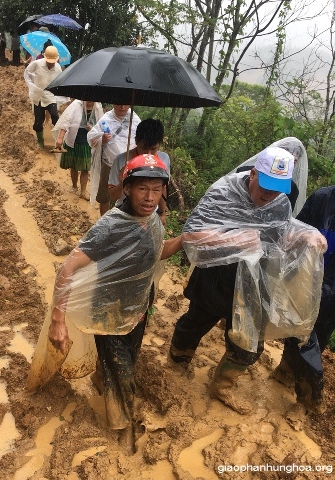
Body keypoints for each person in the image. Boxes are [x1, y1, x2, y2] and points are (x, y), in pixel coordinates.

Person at [169, 146, 326, 414]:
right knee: (196, 321)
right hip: (217, 273)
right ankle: (177, 362)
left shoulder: (280, 201)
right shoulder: (223, 192)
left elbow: (279, 237)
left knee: (249, 343)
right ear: (253, 173)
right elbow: (192, 236)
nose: (269, 194)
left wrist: (303, 237)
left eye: (278, 188)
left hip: (254, 280)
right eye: (265, 184)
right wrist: (237, 240)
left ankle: (222, 386)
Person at [44, 154, 182, 454]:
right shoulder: (112, 226)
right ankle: (121, 428)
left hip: (139, 308)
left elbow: (157, 254)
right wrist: (58, 320)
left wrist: (185, 240)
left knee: (127, 361)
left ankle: (101, 379)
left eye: (156, 190)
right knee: (123, 373)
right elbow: (67, 268)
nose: (149, 197)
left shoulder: (153, 220)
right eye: (142, 188)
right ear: (127, 188)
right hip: (107, 312)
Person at [271, 185, 335, 418]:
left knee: (319, 337)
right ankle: (298, 387)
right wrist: (306, 237)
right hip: (307, 280)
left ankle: (296, 386)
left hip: (333, 292)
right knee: (298, 334)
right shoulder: (322, 198)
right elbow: (293, 233)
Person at [108, 118, 170, 224]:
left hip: (150, 215)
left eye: (154, 149)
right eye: (144, 148)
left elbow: (162, 189)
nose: (148, 154)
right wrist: (123, 181)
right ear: (136, 141)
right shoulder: (122, 160)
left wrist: (162, 213)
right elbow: (112, 196)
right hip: (124, 214)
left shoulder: (164, 159)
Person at [87, 105, 140, 216]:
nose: (122, 107)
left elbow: (140, 140)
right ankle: (104, 221)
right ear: (113, 104)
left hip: (129, 167)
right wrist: (102, 139)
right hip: (108, 164)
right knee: (104, 196)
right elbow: (91, 138)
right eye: (119, 103)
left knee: (127, 195)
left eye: (125, 104)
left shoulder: (134, 119)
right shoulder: (106, 119)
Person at [52, 100, 104, 200]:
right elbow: (66, 121)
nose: (90, 102)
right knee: (74, 166)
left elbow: (102, 124)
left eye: (92, 100)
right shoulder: (76, 105)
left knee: (85, 168)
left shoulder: (98, 107)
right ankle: (74, 186)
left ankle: (83, 191)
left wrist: (93, 129)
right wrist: (60, 137)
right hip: (74, 140)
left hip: (88, 142)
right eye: (88, 100)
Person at [24, 46, 62, 148]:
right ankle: (40, 141)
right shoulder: (36, 64)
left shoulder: (58, 68)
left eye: (53, 61)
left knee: (55, 116)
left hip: (50, 96)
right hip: (38, 96)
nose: (51, 63)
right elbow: (27, 73)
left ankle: (58, 140)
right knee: (38, 121)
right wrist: (32, 85)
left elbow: (59, 81)